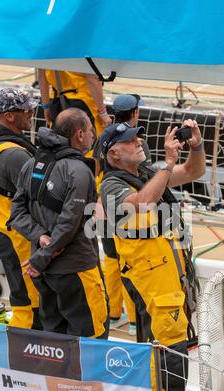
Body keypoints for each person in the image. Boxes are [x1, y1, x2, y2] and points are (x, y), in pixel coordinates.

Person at [99, 120, 205, 391]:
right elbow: (139, 204)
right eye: (132, 141)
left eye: (139, 138)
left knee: (167, 349)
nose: (140, 142)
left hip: (169, 280)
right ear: (114, 154)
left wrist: (195, 146)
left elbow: (193, 172)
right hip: (152, 285)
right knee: (169, 353)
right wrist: (168, 163)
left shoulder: (146, 175)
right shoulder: (111, 185)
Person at [9, 108, 109, 338]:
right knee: (91, 337)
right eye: (92, 131)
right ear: (80, 134)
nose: (94, 136)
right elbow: (70, 223)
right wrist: (43, 256)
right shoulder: (79, 170)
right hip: (75, 269)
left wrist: (40, 237)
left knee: (54, 338)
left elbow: (16, 213)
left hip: (44, 275)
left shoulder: (31, 164)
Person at [95, 94, 150, 336]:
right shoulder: (137, 142)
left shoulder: (104, 139)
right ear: (135, 113)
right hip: (129, 208)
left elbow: (96, 169)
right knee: (128, 260)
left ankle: (114, 312)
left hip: (104, 202)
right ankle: (136, 316)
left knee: (110, 259)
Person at [0, 88, 40, 329]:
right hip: (18, 236)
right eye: (25, 109)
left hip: (7, 228)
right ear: (9, 116)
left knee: (24, 298)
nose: (31, 112)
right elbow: (40, 193)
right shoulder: (13, 154)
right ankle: (30, 355)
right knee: (30, 303)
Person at [38, 69, 112, 136]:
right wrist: (103, 112)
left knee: (60, 140)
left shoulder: (42, 53)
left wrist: (46, 106)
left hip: (56, 101)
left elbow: (42, 78)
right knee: (87, 141)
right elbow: (92, 79)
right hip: (83, 102)